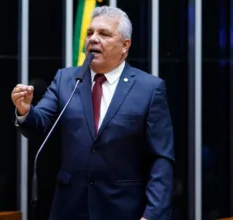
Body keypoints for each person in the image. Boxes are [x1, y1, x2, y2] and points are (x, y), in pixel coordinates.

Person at [11, 6, 174, 220]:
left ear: (125, 45)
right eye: (90, 33)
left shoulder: (149, 88)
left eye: (104, 34)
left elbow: (160, 159)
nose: (93, 39)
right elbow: (39, 124)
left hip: (124, 209)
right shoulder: (66, 80)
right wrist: (24, 110)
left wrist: (152, 215)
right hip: (69, 209)